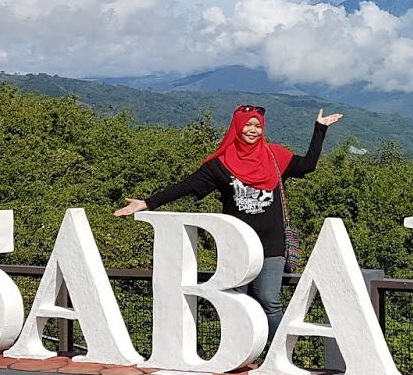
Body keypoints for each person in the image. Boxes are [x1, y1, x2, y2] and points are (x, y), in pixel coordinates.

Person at [114, 104, 342, 351]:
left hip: (271, 244)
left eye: (257, 126)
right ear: (236, 127)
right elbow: (188, 185)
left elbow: (308, 165)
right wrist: (148, 203)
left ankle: (278, 354)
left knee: (269, 301)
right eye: (247, 125)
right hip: (237, 246)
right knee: (236, 301)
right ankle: (239, 352)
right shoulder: (221, 165)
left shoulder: (275, 156)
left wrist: (320, 129)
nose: (252, 130)